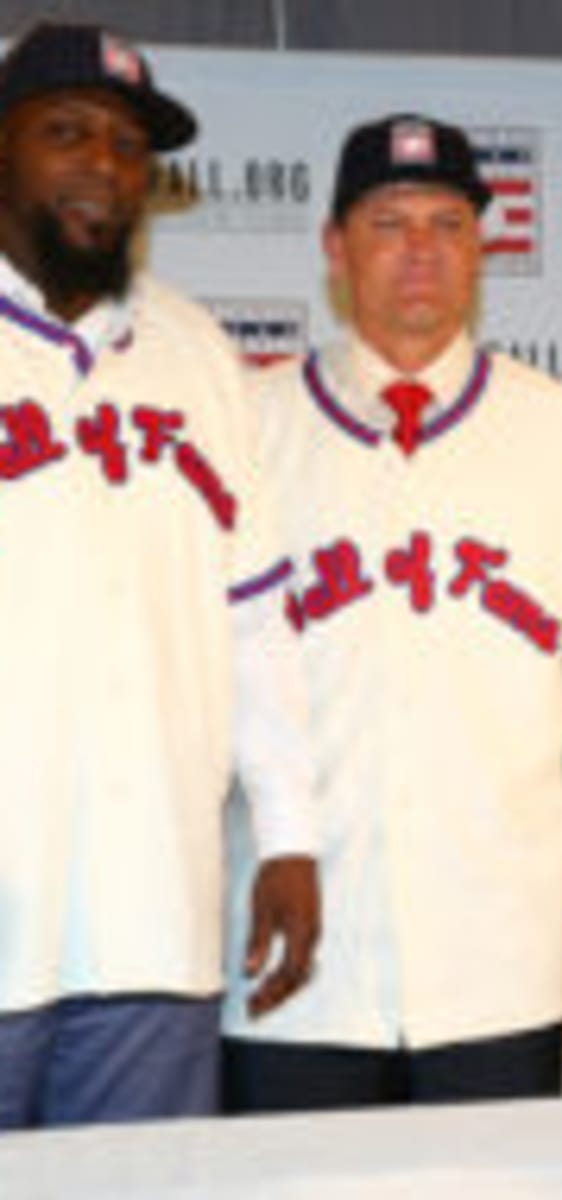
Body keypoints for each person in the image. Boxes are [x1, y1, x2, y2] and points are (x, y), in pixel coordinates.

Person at [220, 112, 562, 1111]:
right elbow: (215, 670)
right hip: (294, 956)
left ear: (480, 245)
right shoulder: (250, 423)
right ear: (335, 246)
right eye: (388, 222)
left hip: (495, 952)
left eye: (447, 224)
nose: (420, 252)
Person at [0, 22, 319, 1130]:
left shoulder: (201, 359)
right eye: (67, 133)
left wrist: (287, 833)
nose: (104, 167)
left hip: (151, 917)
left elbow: (256, 616)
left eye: (132, 146)